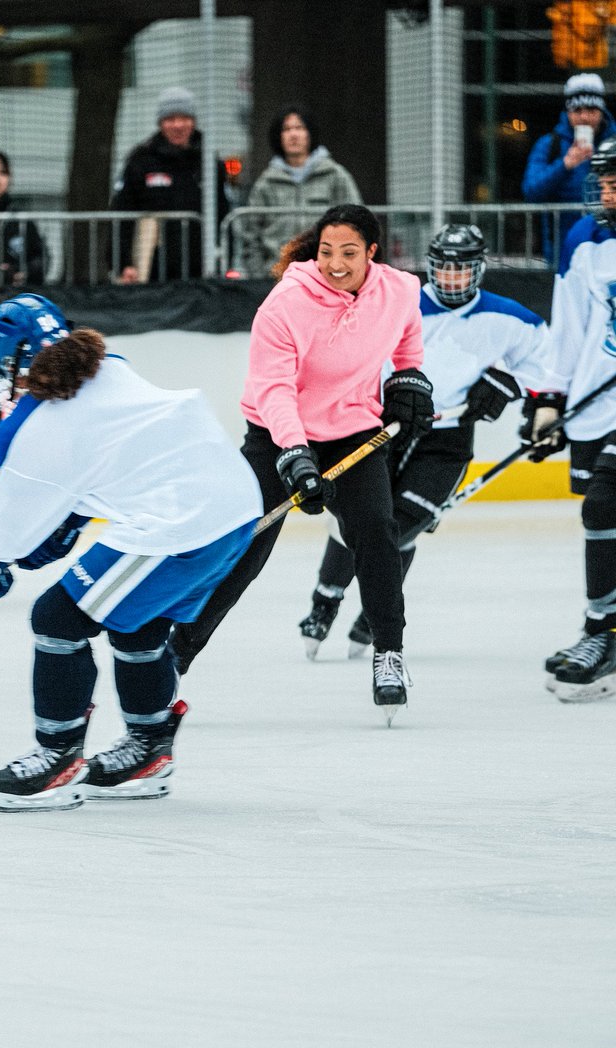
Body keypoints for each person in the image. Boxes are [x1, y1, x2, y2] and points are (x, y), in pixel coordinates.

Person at [0, 294, 262, 812]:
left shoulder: (32, 426)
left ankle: (57, 759)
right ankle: (147, 751)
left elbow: (3, 542)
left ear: (17, 362)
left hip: (179, 524)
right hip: (234, 508)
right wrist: (68, 519)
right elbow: (105, 456)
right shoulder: (110, 366)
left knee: (56, 617)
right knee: (136, 619)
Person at [170, 203, 434, 721]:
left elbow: (407, 339)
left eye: (349, 253)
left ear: (372, 254)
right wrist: (294, 453)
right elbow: (273, 390)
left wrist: (407, 377)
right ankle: (175, 657)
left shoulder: (400, 290)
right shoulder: (284, 305)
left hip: (353, 433)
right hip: (277, 435)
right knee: (245, 549)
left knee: (377, 533)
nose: (336, 263)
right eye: (327, 251)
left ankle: (389, 653)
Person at [299, 223, 548, 659]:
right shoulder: (397, 301)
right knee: (360, 521)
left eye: (461, 269)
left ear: (478, 270)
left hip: (447, 439)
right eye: (443, 269)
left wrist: (509, 380)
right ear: (432, 267)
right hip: (383, 428)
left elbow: (548, 359)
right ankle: (325, 600)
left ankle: (375, 614)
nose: (451, 278)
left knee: (402, 524)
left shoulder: (509, 316)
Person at [523, 137, 616, 702]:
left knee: (604, 501)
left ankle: (601, 630)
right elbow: (570, 330)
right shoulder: (585, 239)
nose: (607, 190)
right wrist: (551, 400)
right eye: (603, 180)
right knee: (603, 510)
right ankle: (602, 626)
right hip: (597, 404)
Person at [110, 86, 229, 283]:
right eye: (170, 119)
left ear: (193, 122)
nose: (178, 125)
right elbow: (122, 215)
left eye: (184, 118)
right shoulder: (141, 160)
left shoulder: (209, 161)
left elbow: (224, 215)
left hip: (201, 270)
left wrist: (225, 259)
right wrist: (123, 263)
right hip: (152, 271)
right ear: (160, 123)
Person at [242, 104, 362, 278]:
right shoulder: (265, 184)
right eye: (287, 129)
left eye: (299, 128)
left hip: (327, 275)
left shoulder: (336, 176)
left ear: (310, 134)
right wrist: (261, 273)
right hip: (278, 277)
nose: (293, 134)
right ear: (279, 136)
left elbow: (356, 223)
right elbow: (249, 236)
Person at [522, 73, 616, 264]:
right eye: (577, 110)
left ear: (601, 110)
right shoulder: (549, 145)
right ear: (568, 112)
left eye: (591, 109)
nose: (584, 117)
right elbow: (531, 191)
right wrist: (564, 165)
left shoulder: (613, 143)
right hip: (565, 249)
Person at [0, 150, 46, 286]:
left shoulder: (20, 216)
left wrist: (23, 273)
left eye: (2, 173)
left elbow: (40, 256)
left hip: (15, 293)